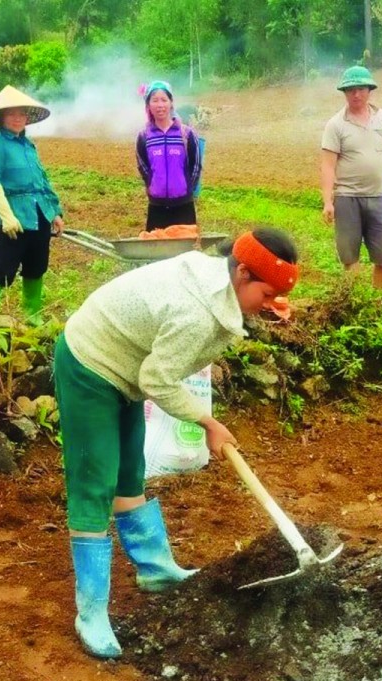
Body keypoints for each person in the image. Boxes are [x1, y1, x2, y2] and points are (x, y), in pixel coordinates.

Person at [54, 228, 300, 659]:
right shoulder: (196, 309)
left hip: (125, 369)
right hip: (91, 362)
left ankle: (155, 569)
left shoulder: (220, 285)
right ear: (242, 273)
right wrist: (207, 422)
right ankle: (91, 612)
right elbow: (157, 379)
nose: (272, 305)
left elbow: (151, 376)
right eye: (267, 293)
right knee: (95, 483)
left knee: (129, 472)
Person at [0, 85, 64, 327]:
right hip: (13, 215)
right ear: (1, 118)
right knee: (0, 270)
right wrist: (6, 216)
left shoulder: (28, 145)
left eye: (21, 114)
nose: (17, 119)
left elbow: (41, 179)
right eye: (11, 114)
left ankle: (33, 317)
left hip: (39, 212)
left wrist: (54, 211)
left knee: (36, 266)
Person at [320, 65, 382, 289]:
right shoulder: (336, 124)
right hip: (347, 197)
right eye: (350, 90)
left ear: (369, 90)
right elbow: (328, 166)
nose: (356, 94)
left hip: (378, 196)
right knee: (349, 255)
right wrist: (328, 202)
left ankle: (376, 299)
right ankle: (356, 300)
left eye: (360, 89)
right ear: (344, 93)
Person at [136, 80, 203, 231]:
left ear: (171, 103)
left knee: (185, 250)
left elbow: (196, 166)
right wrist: (153, 185)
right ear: (148, 106)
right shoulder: (144, 136)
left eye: (164, 100)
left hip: (183, 205)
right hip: (157, 206)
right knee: (156, 249)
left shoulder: (186, 134)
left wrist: (187, 188)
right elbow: (143, 166)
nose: (160, 105)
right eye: (155, 100)